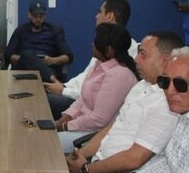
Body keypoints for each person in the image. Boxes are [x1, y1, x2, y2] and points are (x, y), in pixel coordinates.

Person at [67, 31, 183, 173]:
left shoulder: (167, 103)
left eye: (143, 55)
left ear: (166, 61)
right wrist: (79, 155)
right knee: (53, 167)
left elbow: (133, 160)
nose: (136, 59)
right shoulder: (142, 85)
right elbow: (113, 127)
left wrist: (85, 169)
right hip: (97, 162)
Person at [44, 0, 138, 119]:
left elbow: (96, 95)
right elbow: (85, 77)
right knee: (38, 92)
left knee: (42, 101)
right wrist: (64, 86)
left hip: (87, 106)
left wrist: (63, 91)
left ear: (110, 16)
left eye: (100, 11)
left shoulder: (125, 50)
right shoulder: (103, 42)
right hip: (77, 96)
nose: (96, 16)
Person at [56, 23, 139, 153]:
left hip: (96, 134)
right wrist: (65, 118)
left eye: (96, 41)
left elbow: (100, 120)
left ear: (109, 49)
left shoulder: (119, 75)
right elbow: (83, 99)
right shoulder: (99, 64)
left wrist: (66, 126)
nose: (92, 44)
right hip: (82, 125)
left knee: (46, 143)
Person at [6, 0, 73, 82]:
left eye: (41, 16)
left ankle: (52, 79)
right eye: (35, 16)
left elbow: (68, 57)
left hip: (47, 68)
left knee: (30, 56)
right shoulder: (20, 30)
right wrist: (27, 59)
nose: (38, 19)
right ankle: (54, 81)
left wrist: (52, 60)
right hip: (23, 69)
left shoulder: (54, 30)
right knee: (28, 55)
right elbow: (8, 55)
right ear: (29, 15)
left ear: (45, 16)